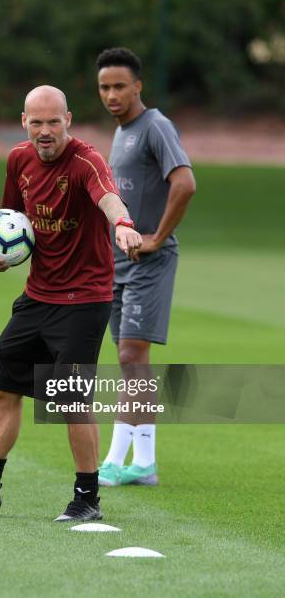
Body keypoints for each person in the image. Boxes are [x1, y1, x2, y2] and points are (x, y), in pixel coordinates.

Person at [0, 85, 142, 520]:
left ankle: (87, 499)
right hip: (37, 297)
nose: (45, 132)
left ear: (68, 119)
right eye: (36, 122)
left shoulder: (87, 161)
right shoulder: (18, 159)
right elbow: (9, 222)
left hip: (84, 301)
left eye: (53, 122)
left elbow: (108, 197)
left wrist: (122, 224)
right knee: (5, 389)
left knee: (70, 402)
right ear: (24, 121)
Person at [95, 47, 196, 486]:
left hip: (149, 264)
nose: (112, 94)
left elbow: (186, 183)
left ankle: (115, 461)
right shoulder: (121, 133)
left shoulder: (156, 126)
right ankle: (145, 463)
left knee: (130, 356)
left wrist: (156, 237)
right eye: (104, 87)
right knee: (132, 361)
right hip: (120, 263)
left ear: (138, 85)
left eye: (119, 86)